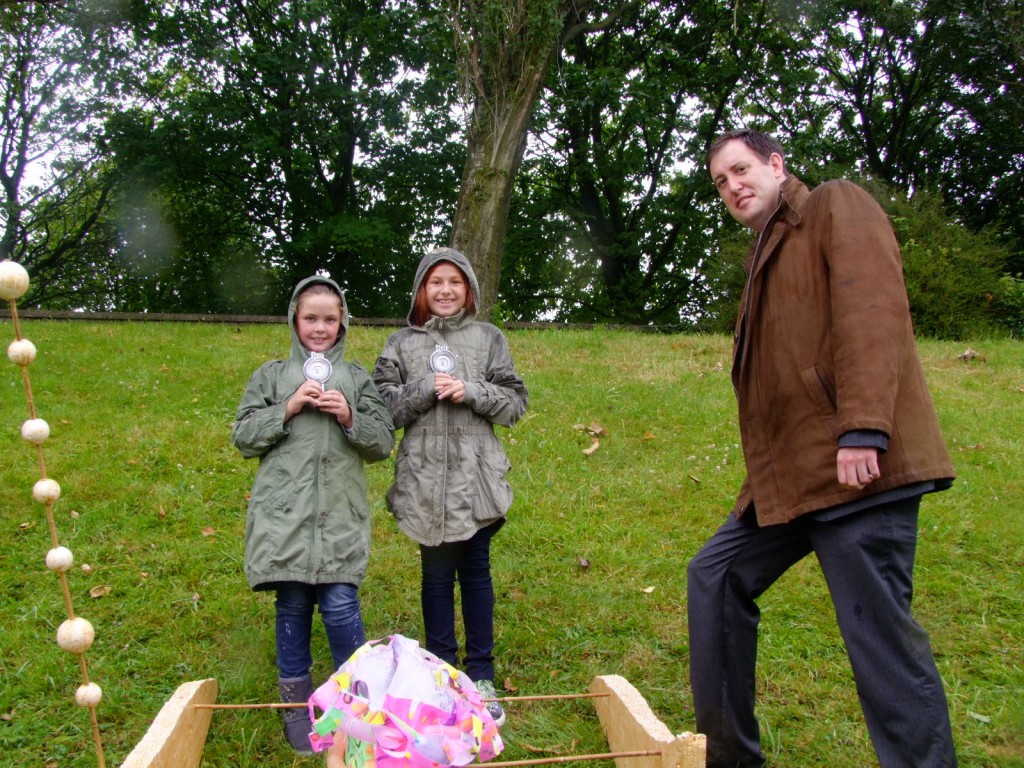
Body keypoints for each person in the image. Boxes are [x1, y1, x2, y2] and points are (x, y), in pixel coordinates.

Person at [687, 129, 958, 768]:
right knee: (716, 575)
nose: (732, 187)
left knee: (878, 643)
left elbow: (873, 313)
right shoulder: (766, 253)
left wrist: (863, 428)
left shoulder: (835, 205)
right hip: (799, 479)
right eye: (720, 182)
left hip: (862, 470)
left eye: (741, 169)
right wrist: (761, 490)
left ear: (776, 165)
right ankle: (727, 758)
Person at [231, 276, 395, 754]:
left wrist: (348, 416)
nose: (320, 327)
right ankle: (297, 706)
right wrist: (287, 407)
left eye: (329, 318)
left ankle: (358, 709)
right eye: (311, 318)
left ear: (342, 322)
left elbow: (381, 442)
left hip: (339, 516)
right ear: (294, 320)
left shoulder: (358, 378)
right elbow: (243, 436)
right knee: (294, 605)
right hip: (286, 517)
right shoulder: (271, 375)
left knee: (342, 604)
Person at [371, 247, 528, 727]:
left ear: (470, 290)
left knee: (476, 573)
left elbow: (515, 403)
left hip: (475, 481)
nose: (444, 290)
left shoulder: (489, 338)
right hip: (422, 481)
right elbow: (382, 409)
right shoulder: (400, 343)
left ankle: (481, 676)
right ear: (421, 290)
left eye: (455, 282)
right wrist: (424, 389)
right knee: (436, 578)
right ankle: (440, 674)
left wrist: (472, 390)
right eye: (435, 282)